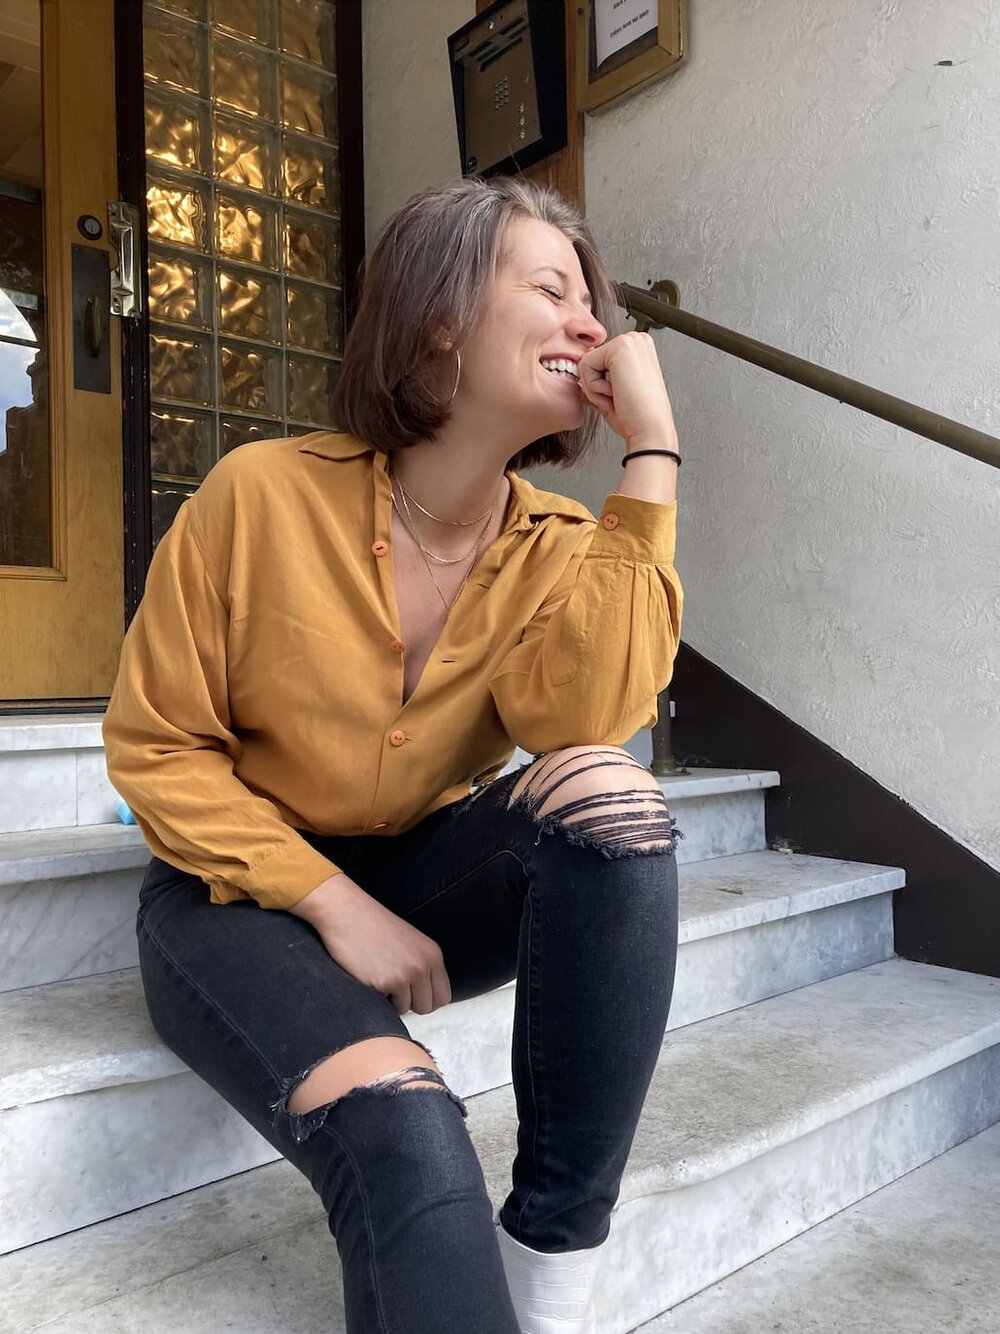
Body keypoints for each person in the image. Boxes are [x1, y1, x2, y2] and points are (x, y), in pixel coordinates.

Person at [103, 175, 684, 1334]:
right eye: (552, 289)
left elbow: (581, 716)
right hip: (235, 899)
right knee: (407, 1126)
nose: (589, 324)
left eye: (594, 303)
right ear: (440, 318)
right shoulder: (259, 495)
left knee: (610, 794)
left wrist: (653, 453)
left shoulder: (563, 545)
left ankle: (552, 1255)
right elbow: (159, 748)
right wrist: (333, 903)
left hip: (425, 876)